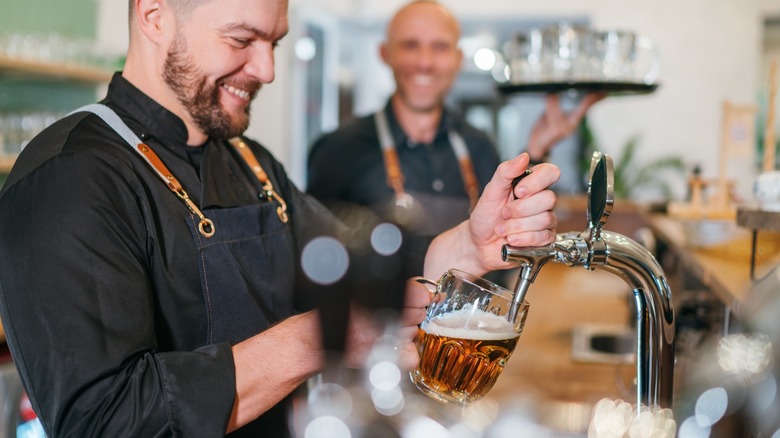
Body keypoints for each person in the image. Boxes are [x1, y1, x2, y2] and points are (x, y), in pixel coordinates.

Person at [0, 0, 561, 436]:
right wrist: (321, 336)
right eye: (242, 39)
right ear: (154, 16)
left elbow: (356, 268)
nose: (266, 69)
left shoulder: (250, 161)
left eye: (274, 42)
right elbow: (104, 421)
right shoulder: (69, 178)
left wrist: (470, 243)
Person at [307, 0, 602, 276]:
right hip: (383, 329)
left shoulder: (479, 147)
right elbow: (319, 261)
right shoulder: (338, 151)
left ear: (457, 58)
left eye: (440, 47)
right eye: (410, 45)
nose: (425, 62)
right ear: (386, 53)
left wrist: (538, 147)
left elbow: (503, 234)